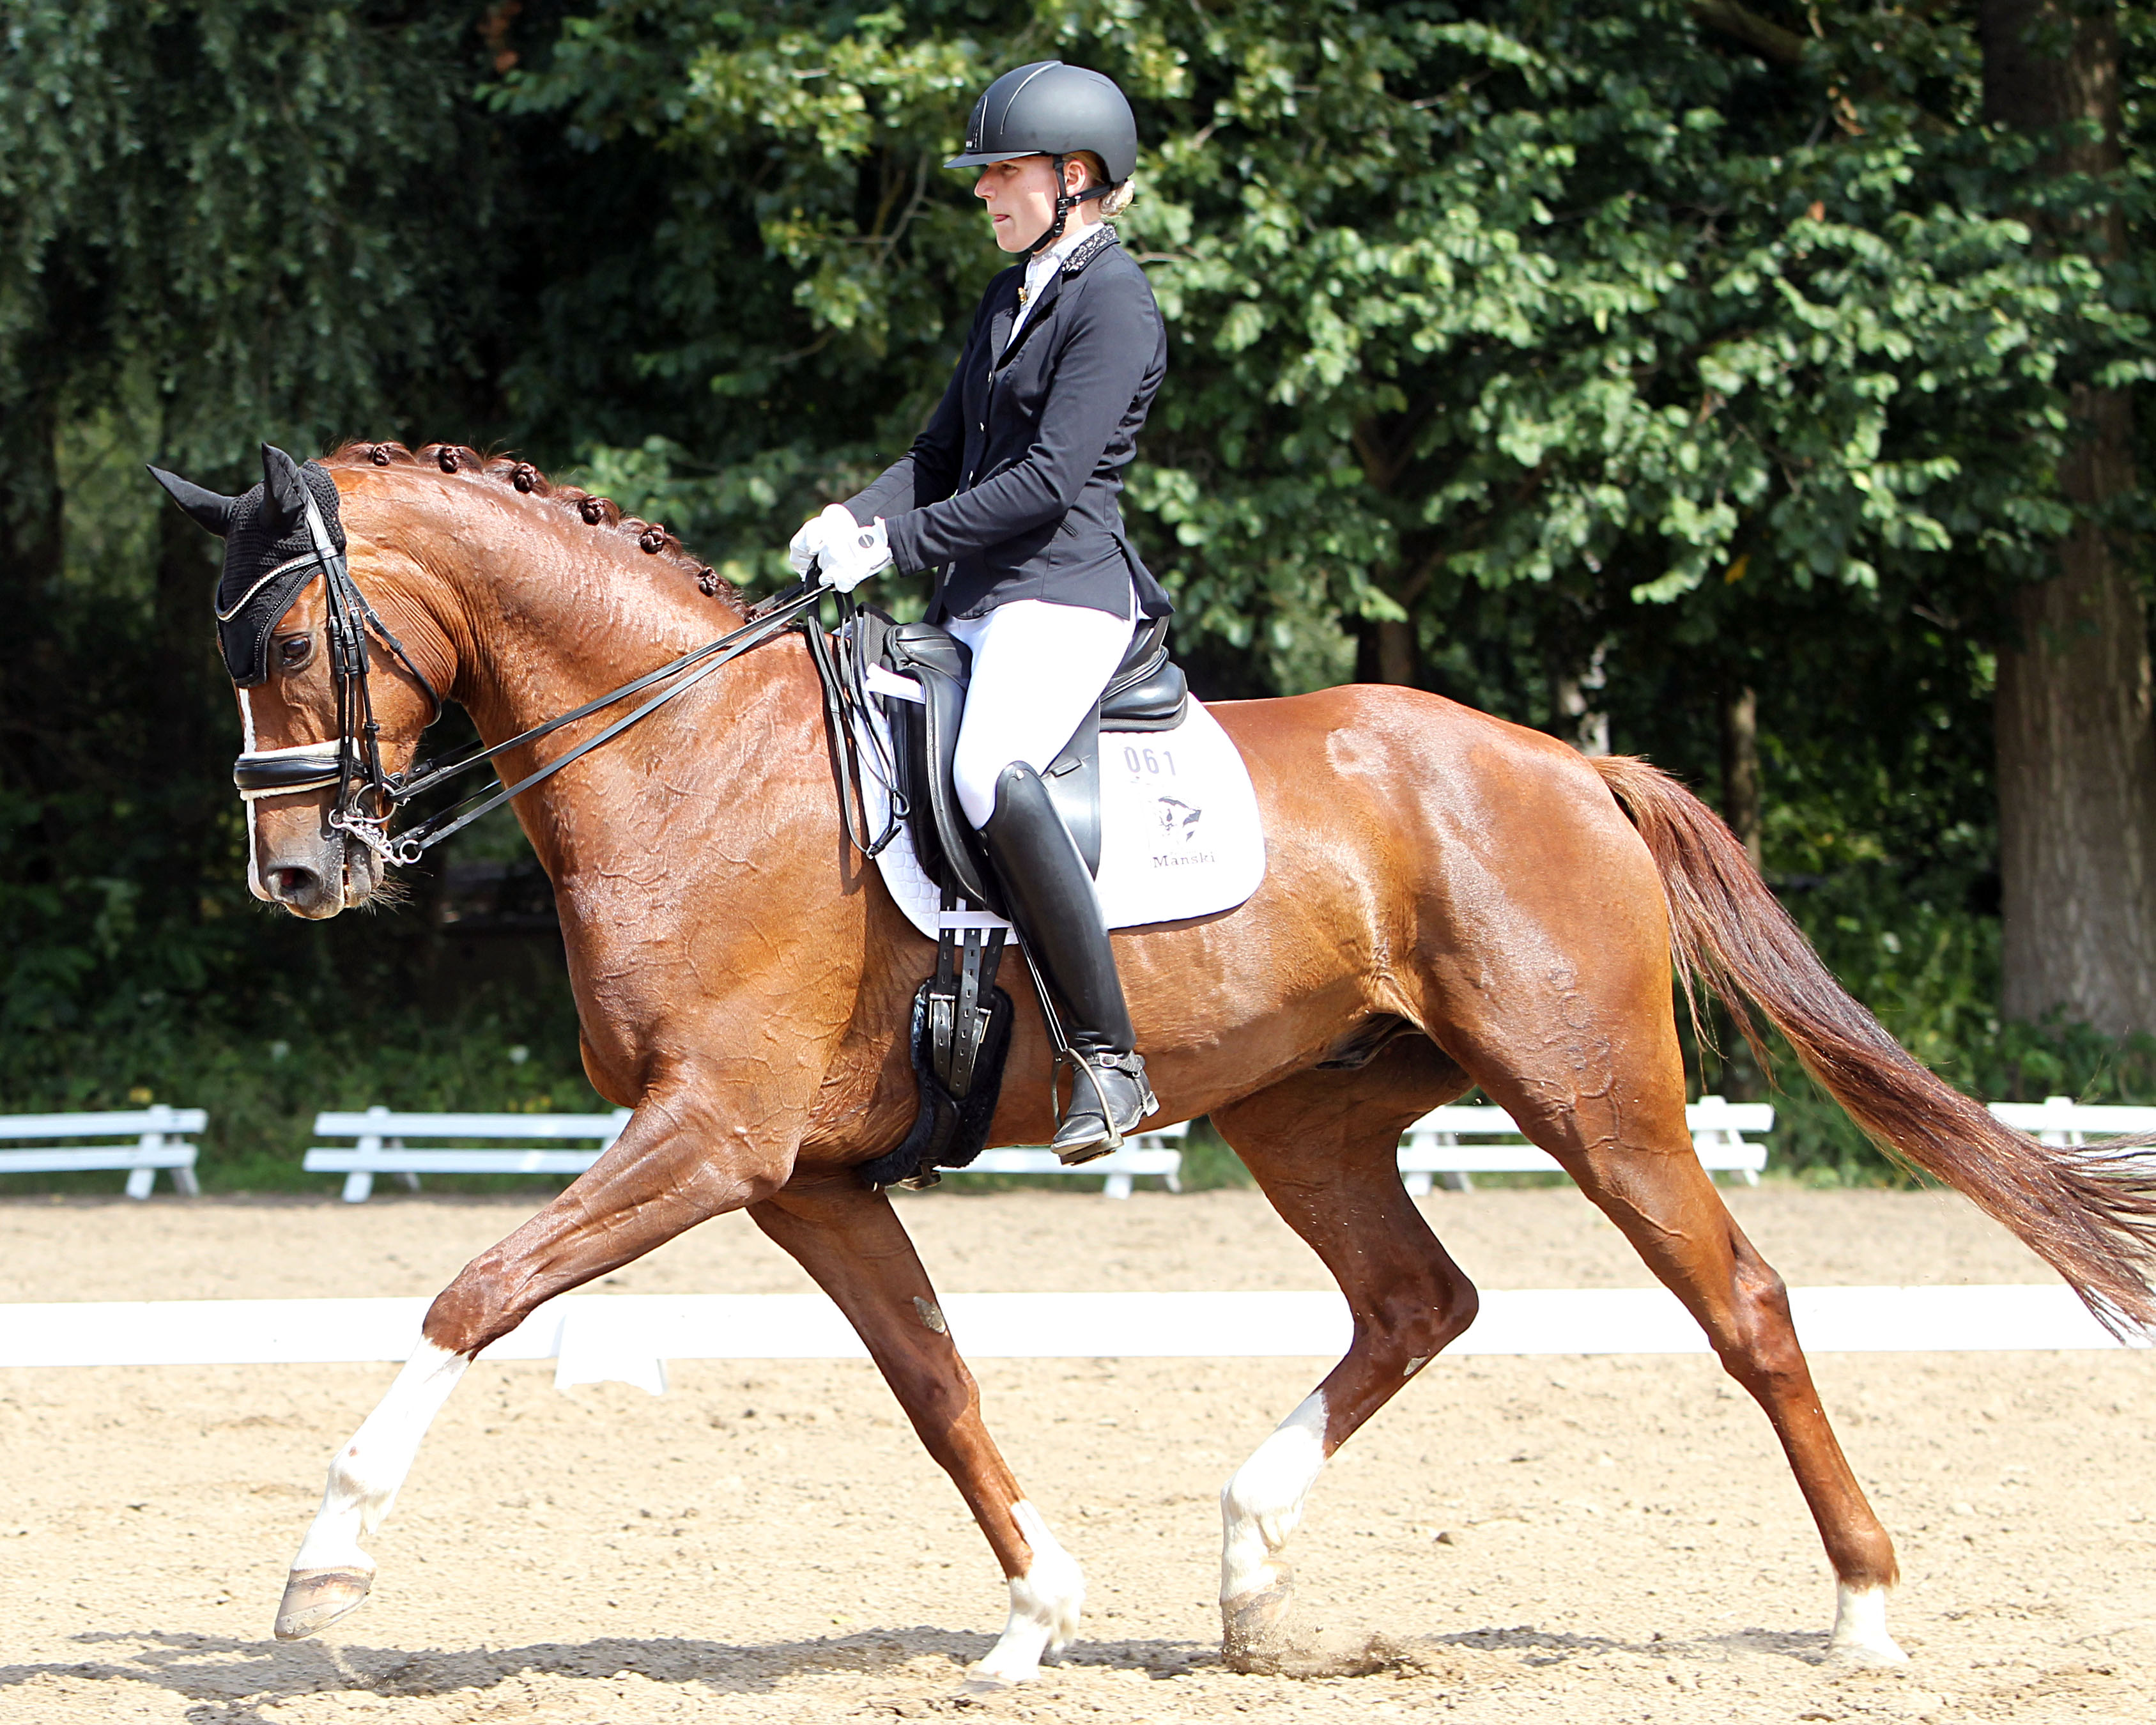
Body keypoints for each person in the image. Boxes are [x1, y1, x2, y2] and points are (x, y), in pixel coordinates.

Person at [787, 61, 1169, 1161]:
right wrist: (849, 517)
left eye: (1002, 171)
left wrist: (890, 546)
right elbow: (941, 454)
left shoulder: (1114, 301)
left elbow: (1048, 483)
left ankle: (1109, 1055)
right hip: (975, 601)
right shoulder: (1006, 299)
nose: (982, 191)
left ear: (1076, 176)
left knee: (982, 769)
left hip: (1063, 596)